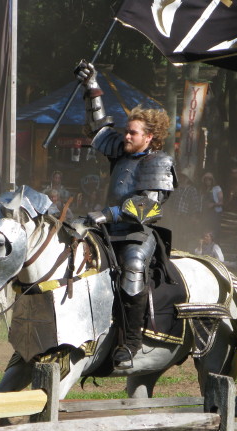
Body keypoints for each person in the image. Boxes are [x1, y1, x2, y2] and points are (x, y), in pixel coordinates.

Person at [76, 60, 176, 370]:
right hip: (106, 230)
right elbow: (98, 129)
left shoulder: (159, 163)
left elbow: (147, 207)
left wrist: (106, 214)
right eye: (126, 132)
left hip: (136, 234)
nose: (126, 137)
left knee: (132, 269)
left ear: (149, 138)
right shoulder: (121, 150)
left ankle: (131, 344)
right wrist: (92, 87)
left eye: (132, 133)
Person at [200, 172, 223, 240]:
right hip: (205, 213)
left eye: (209, 179)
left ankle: (215, 246)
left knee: (214, 231)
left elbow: (221, 202)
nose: (207, 181)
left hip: (214, 214)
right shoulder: (203, 190)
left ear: (212, 180)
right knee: (204, 230)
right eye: (206, 179)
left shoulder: (217, 188)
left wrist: (213, 204)